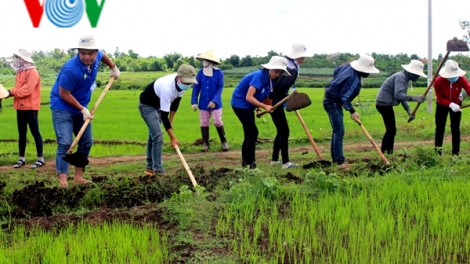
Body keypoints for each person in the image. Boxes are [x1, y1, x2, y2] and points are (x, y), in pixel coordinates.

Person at [50, 35, 120, 187]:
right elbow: (64, 94)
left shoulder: (97, 56)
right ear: (78, 52)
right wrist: (82, 109)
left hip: (81, 106)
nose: (87, 57)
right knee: (66, 142)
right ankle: (63, 181)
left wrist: (113, 67)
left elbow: (103, 56)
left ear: (95, 52)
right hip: (62, 106)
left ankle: (78, 178)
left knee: (86, 142)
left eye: (90, 54)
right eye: (83, 53)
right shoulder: (71, 70)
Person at [231, 56, 290, 169]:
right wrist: (264, 106)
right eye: (276, 71)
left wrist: (259, 108)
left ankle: (246, 164)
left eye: (280, 73)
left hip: (248, 106)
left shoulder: (268, 80)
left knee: (249, 133)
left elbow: (261, 95)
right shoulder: (259, 76)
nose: (277, 75)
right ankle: (251, 165)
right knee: (253, 132)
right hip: (240, 104)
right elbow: (249, 97)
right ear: (270, 68)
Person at [323, 54, 380, 170]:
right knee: (339, 131)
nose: (368, 74)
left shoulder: (348, 67)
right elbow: (344, 98)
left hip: (330, 99)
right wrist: (352, 111)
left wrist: (337, 83)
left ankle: (336, 160)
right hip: (333, 102)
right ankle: (340, 162)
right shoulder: (354, 80)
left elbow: (336, 70)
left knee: (337, 131)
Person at [139, 64, 198, 176]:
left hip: (158, 105)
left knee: (154, 136)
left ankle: (149, 168)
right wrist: (173, 138)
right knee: (158, 136)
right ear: (178, 78)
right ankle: (158, 171)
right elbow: (163, 116)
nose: (187, 85)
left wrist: (171, 121)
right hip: (147, 106)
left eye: (189, 83)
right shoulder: (167, 88)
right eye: (186, 82)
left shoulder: (183, 85)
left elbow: (175, 103)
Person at [268, 43, 311, 169]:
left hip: (273, 100)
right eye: (302, 56)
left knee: (280, 130)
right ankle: (286, 162)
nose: (303, 59)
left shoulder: (288, 64)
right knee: (284, 131)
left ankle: (275, 159)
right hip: (276, 102)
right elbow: (280, 89)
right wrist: (286, 98)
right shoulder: (291, 70)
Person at [375, 60, 427, 154]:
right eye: (416, 74)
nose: (418, 76)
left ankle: (385, 152)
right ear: (410, 72)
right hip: (383, 104)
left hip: (385, 104)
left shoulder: (405, 78)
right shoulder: (401, 77)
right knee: (391, 130)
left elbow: (403, 97)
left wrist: (409, 110)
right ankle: (388, 153)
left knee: (390, 130)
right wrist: (415, 98)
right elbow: (398, 95)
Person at [5, 49, 45, 169]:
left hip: (31, 107)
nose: (17, 60)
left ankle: (40, 159)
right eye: (16, 57)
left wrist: (10, 92)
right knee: (22, 133)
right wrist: (7, 93)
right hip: (19, 106)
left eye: (19, 58)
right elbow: (18, 88)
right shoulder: (20, 72)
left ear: (24, 59)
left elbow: (27, 90)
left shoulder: (32, 72)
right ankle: (21, 158)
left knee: (35, 132)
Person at [191, 50, 228, 152]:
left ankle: (224, 141)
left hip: (216, 104)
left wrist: (214, 101)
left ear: (210, 62)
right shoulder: (200, 73)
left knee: (217, 121)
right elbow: (196, 88)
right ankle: (205, 143)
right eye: (202, 60)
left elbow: (220, 88)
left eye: (204, 60)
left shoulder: (218, 73)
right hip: (203, 103)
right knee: (204, 122)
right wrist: (194, 101)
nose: (203, 62)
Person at [433, 59, 470, 156]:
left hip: (457, 104)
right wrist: (450, 104)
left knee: (455, 128)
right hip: (442, 105)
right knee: (440, 128)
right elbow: (439, 98)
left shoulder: (461, 79)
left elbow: (469, 89)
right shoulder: (438, 81)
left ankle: (455, 154)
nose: (453, 77)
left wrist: (455, 104)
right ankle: (437, 153)